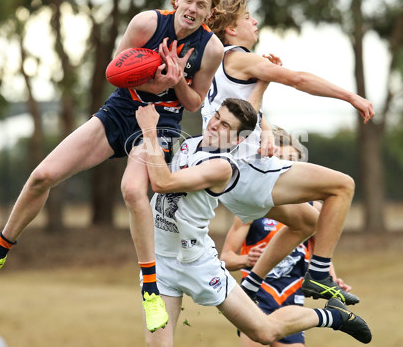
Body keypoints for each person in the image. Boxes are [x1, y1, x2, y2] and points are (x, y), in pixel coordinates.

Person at [0, 0, 225, 332]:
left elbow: (193, 103)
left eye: (201, 5)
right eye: (188, 0)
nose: (192, 9)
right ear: (177, 0)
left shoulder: (212, 49)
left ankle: (150, 290)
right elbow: (114, 72)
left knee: (132, 192)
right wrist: (152, 81)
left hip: (159, 124)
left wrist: (175, 83)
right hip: (121, 110)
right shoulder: (146, 23)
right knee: (43, 175)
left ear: (210, 13)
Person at [134, 99, 371, 346]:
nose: (215, 124)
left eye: (225, 125)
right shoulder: (189, 144)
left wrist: (149, 130)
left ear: (237, 140)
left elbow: (162, 183)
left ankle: (332, 315)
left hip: (196, 263)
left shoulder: (222, 167)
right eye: (217, 116)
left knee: (265, 332)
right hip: (160, 263)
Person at [202, 0, 374, 305]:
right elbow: (296, 78)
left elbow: (245, 114)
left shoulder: (210, 66)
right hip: (246, 170)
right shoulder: (240, 58)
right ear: (231, 29)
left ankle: (252, 286)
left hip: (226, 181)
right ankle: (320, 275)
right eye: (247, 18)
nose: (254, 22)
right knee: (343, 187)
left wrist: (264, 125)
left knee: (307, 222)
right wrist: (350, 96)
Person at [221, 126, 353, 347]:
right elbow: (225, 258)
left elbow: (320, 249)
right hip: (257, 294)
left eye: (292, 160)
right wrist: (246, 260)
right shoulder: (255, 207)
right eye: (281, 159)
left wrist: (332, 278)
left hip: (292, 295)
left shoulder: (314, 209)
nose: (286, 167)